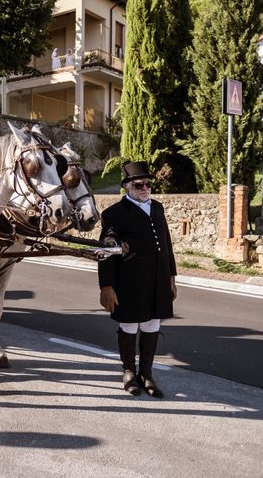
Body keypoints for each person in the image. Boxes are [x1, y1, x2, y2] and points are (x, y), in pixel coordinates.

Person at [98, 161, 177, 398]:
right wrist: (106, 286)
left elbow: (167, 243)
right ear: (127, 187)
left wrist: (172, 277)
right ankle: (129, 373)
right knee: (130, 325)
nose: (144, 188)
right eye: (139, 185)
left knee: (153, 324)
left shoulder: (158, 208)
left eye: (148, 184)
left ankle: (147, 373)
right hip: (129, 281)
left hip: (158, 279)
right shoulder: (113, 214)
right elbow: (105, 251)